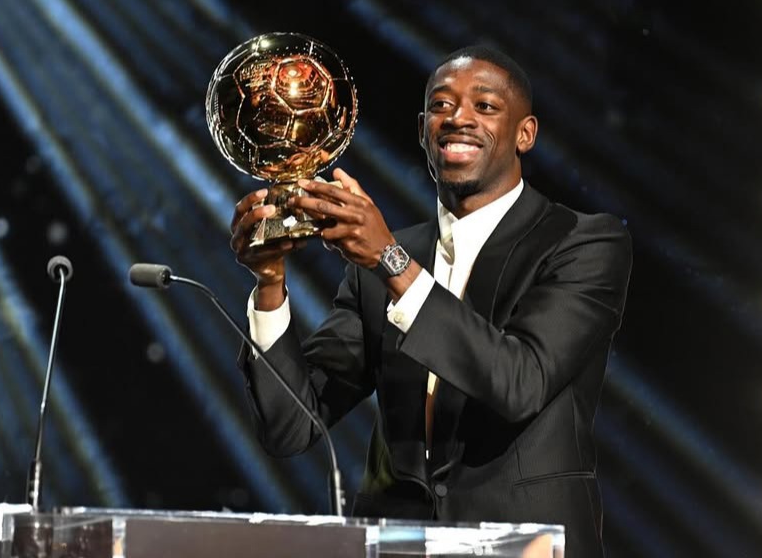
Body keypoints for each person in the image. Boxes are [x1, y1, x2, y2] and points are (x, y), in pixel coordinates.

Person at [229, 46, 632, 558]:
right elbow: (291, 428)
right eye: (441, 105)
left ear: (525, 134)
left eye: (485, 106)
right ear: (423, 131)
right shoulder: (379, 262)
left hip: (527, 546)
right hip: (398, 544)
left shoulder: (582, 243)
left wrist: (391, 262)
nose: (458, 117)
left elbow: (520, 382)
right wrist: (269, 282)